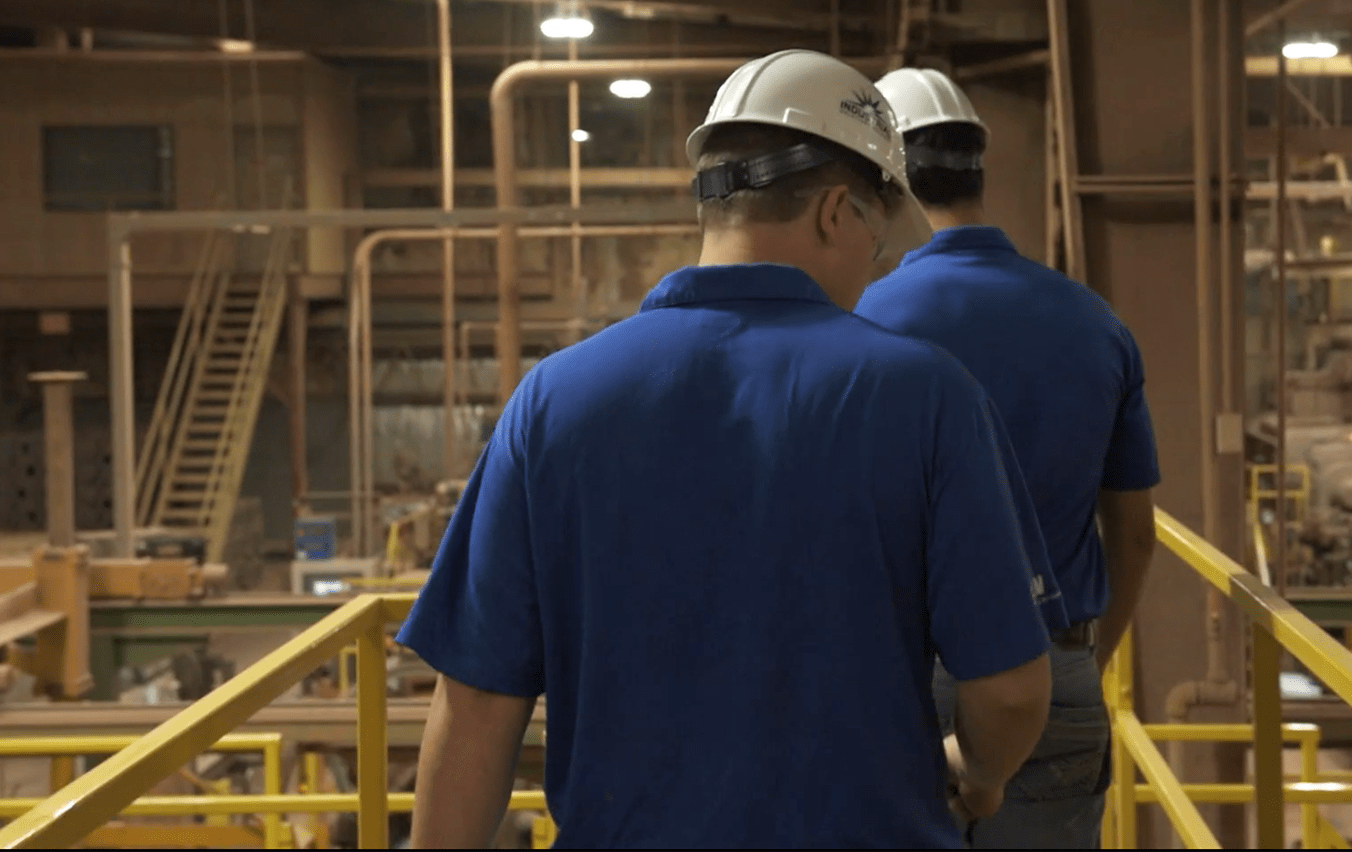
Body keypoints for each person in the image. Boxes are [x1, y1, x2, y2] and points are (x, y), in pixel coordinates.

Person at [399, 49, 1070, 848]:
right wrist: (982, 775)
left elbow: (475, 710)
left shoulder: (554, 399)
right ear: (833, 212)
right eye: (877, 239)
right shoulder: (928, 396)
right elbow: (1010, 695)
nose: (876, 266)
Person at [856, 68, 1161, 849]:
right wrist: (1086, 661)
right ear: (979, 171)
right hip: (1055, 663)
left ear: (888, 176)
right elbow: (1132, 532)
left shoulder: (864, 321)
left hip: (902, 672)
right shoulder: (1095, 323)